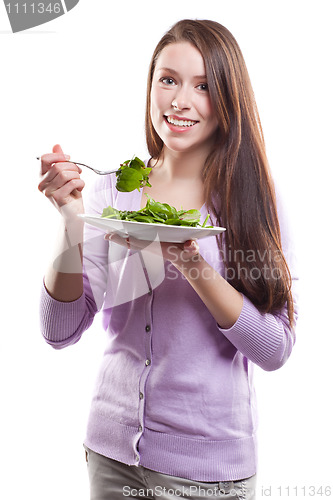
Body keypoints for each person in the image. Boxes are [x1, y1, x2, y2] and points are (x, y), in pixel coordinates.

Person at [38, 19, 298, 500]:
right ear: (151, 85)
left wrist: (192, 264)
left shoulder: (250, 199)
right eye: (168, 80)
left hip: (209, 473)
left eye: (204, 86)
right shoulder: (112, 190)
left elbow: (275, 348)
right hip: (110, 456)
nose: (180, 100)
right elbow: (60, 330)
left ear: (229, 99)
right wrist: (72, 221)